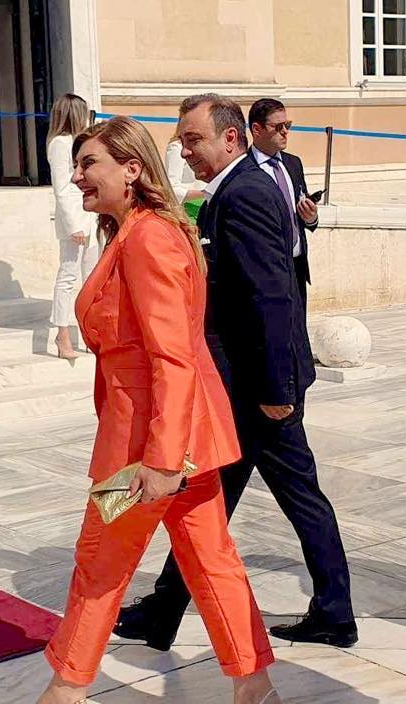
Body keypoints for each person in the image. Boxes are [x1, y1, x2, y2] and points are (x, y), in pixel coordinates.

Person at [38, 115, 279, 704]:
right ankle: (254, 687)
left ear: (131, 169)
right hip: (178, 440)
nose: (77, 177)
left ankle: (65, 691)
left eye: (88, 164)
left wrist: (163, 460)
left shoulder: (148, 237)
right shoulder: (136, 232)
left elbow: (174, 357)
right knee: (210, 561)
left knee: (100, 563)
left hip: (149, 447)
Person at [114, 94, 357, 651]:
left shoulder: (244, 193)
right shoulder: (233, 189)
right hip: (248, 386)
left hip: (257, 391)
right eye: (180, 140)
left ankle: (332, 611)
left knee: (276, 498)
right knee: (214, 499)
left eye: (193, 139)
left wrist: (276, 389)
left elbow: (269, 296)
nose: (184, 150)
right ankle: (166, 610)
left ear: (230, 138)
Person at [248, 98, 317, 304]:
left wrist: (311, 217)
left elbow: (305, 216)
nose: (285, 132)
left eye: (287, 125)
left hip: (296, 269)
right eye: (278, 127)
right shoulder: (244, 168)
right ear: (257, 129)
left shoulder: (293, 164)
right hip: (264, 273)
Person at [45, 94, 98, 361]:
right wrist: (73, 224)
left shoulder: (79, 142)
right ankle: (62, 334)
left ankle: (89, 330)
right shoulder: (60, 144)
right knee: (68, 275)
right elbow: (61, 188)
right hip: (73, 218)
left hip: (90, 215)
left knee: (91, 275)